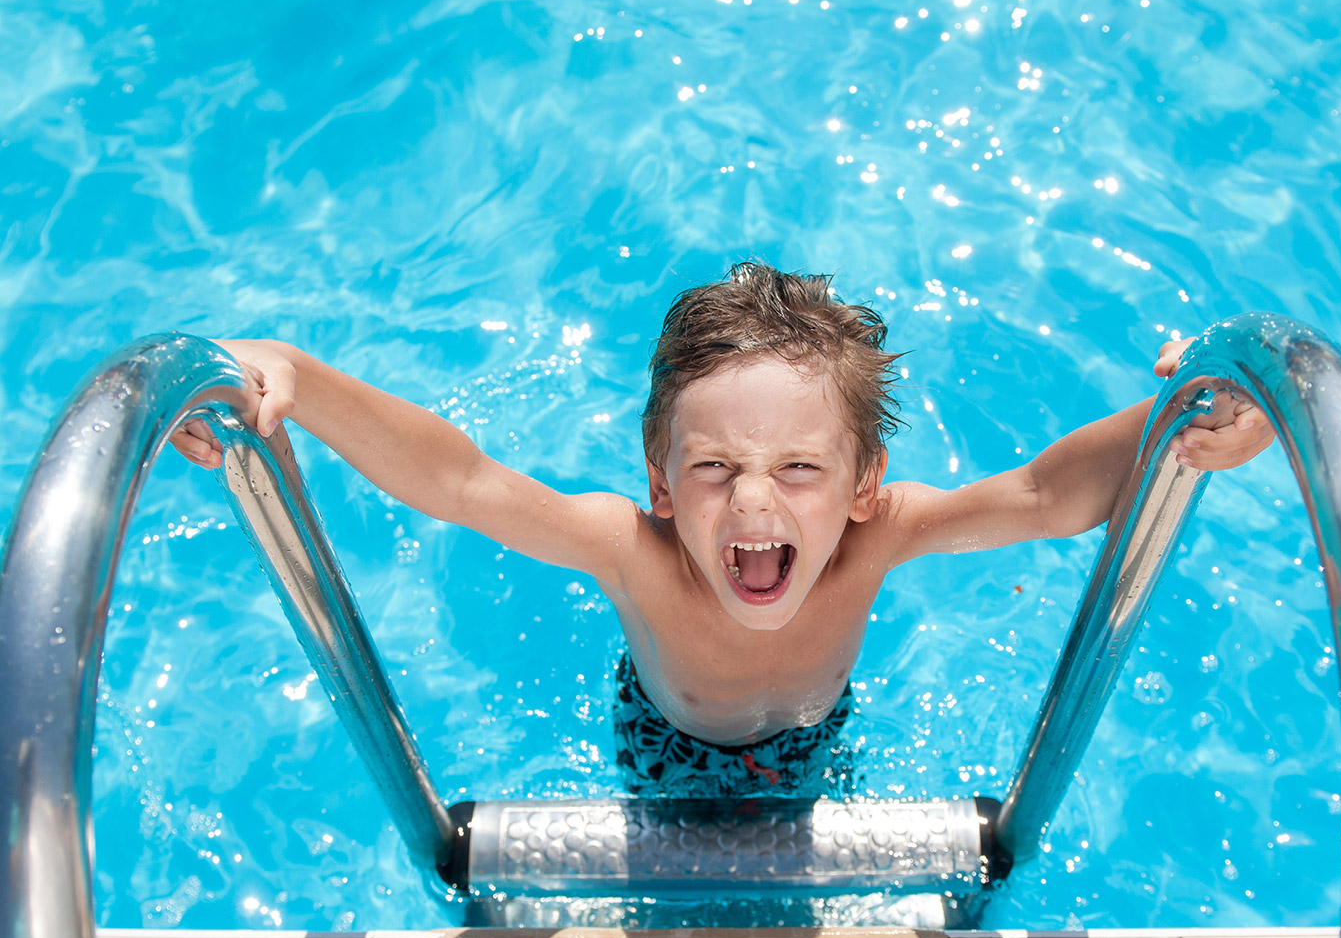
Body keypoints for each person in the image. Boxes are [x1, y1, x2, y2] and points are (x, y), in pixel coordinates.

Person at [172, 263, 1274, 797]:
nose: (754, 505)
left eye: (799, 468)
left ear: (860, 482)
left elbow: (1042, 495)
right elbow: (462, 480)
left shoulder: (879, 535)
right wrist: (297, 378)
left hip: (815, 739)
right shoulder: (631, 552)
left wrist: (1186, 413)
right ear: (658, 482)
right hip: (661, 745)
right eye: (714, 469)